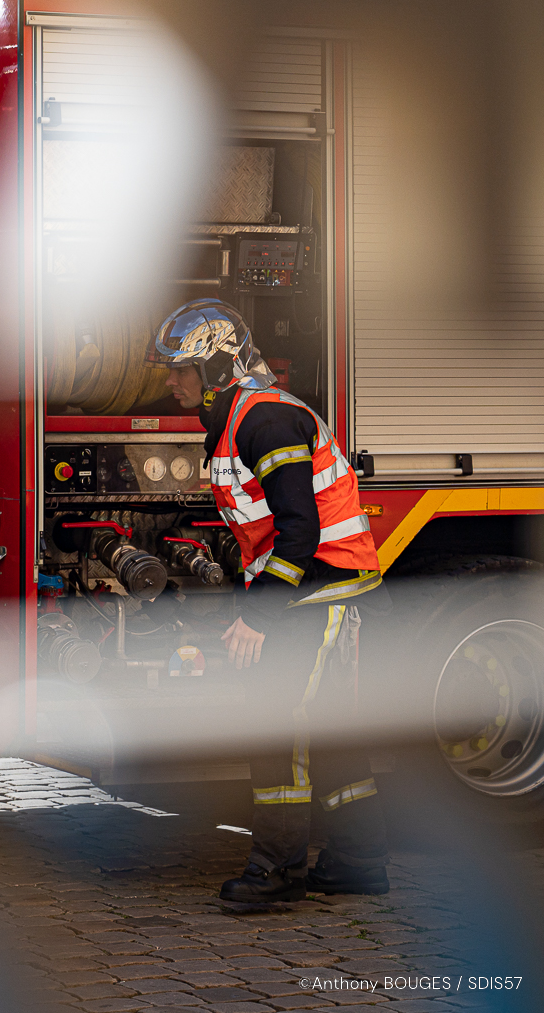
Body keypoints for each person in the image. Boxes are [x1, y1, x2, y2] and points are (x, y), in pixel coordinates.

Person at [149, 298, 391, 903]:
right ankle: (357, 862)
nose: (171, 381)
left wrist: (257, 616)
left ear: (217, 369)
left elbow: (300, 530)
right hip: (319, 585)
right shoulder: (242, 419)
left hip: (320, 584)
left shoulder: (266, 422)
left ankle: (277, 870)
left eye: (181, 369)